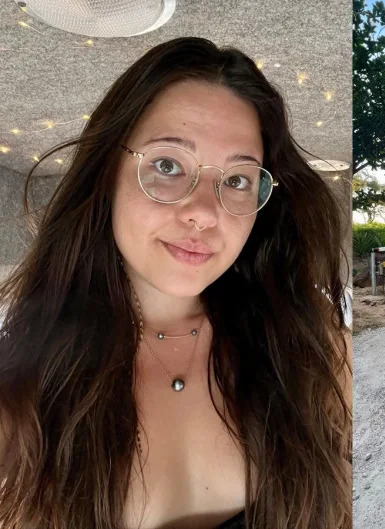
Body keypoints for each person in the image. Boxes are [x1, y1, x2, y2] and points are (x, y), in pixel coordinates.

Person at [0, 37, 352, 529]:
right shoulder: (21, 387)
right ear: (107, 172)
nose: (205, 214)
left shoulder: (313, 350)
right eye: (168, 165)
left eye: (236, 180)